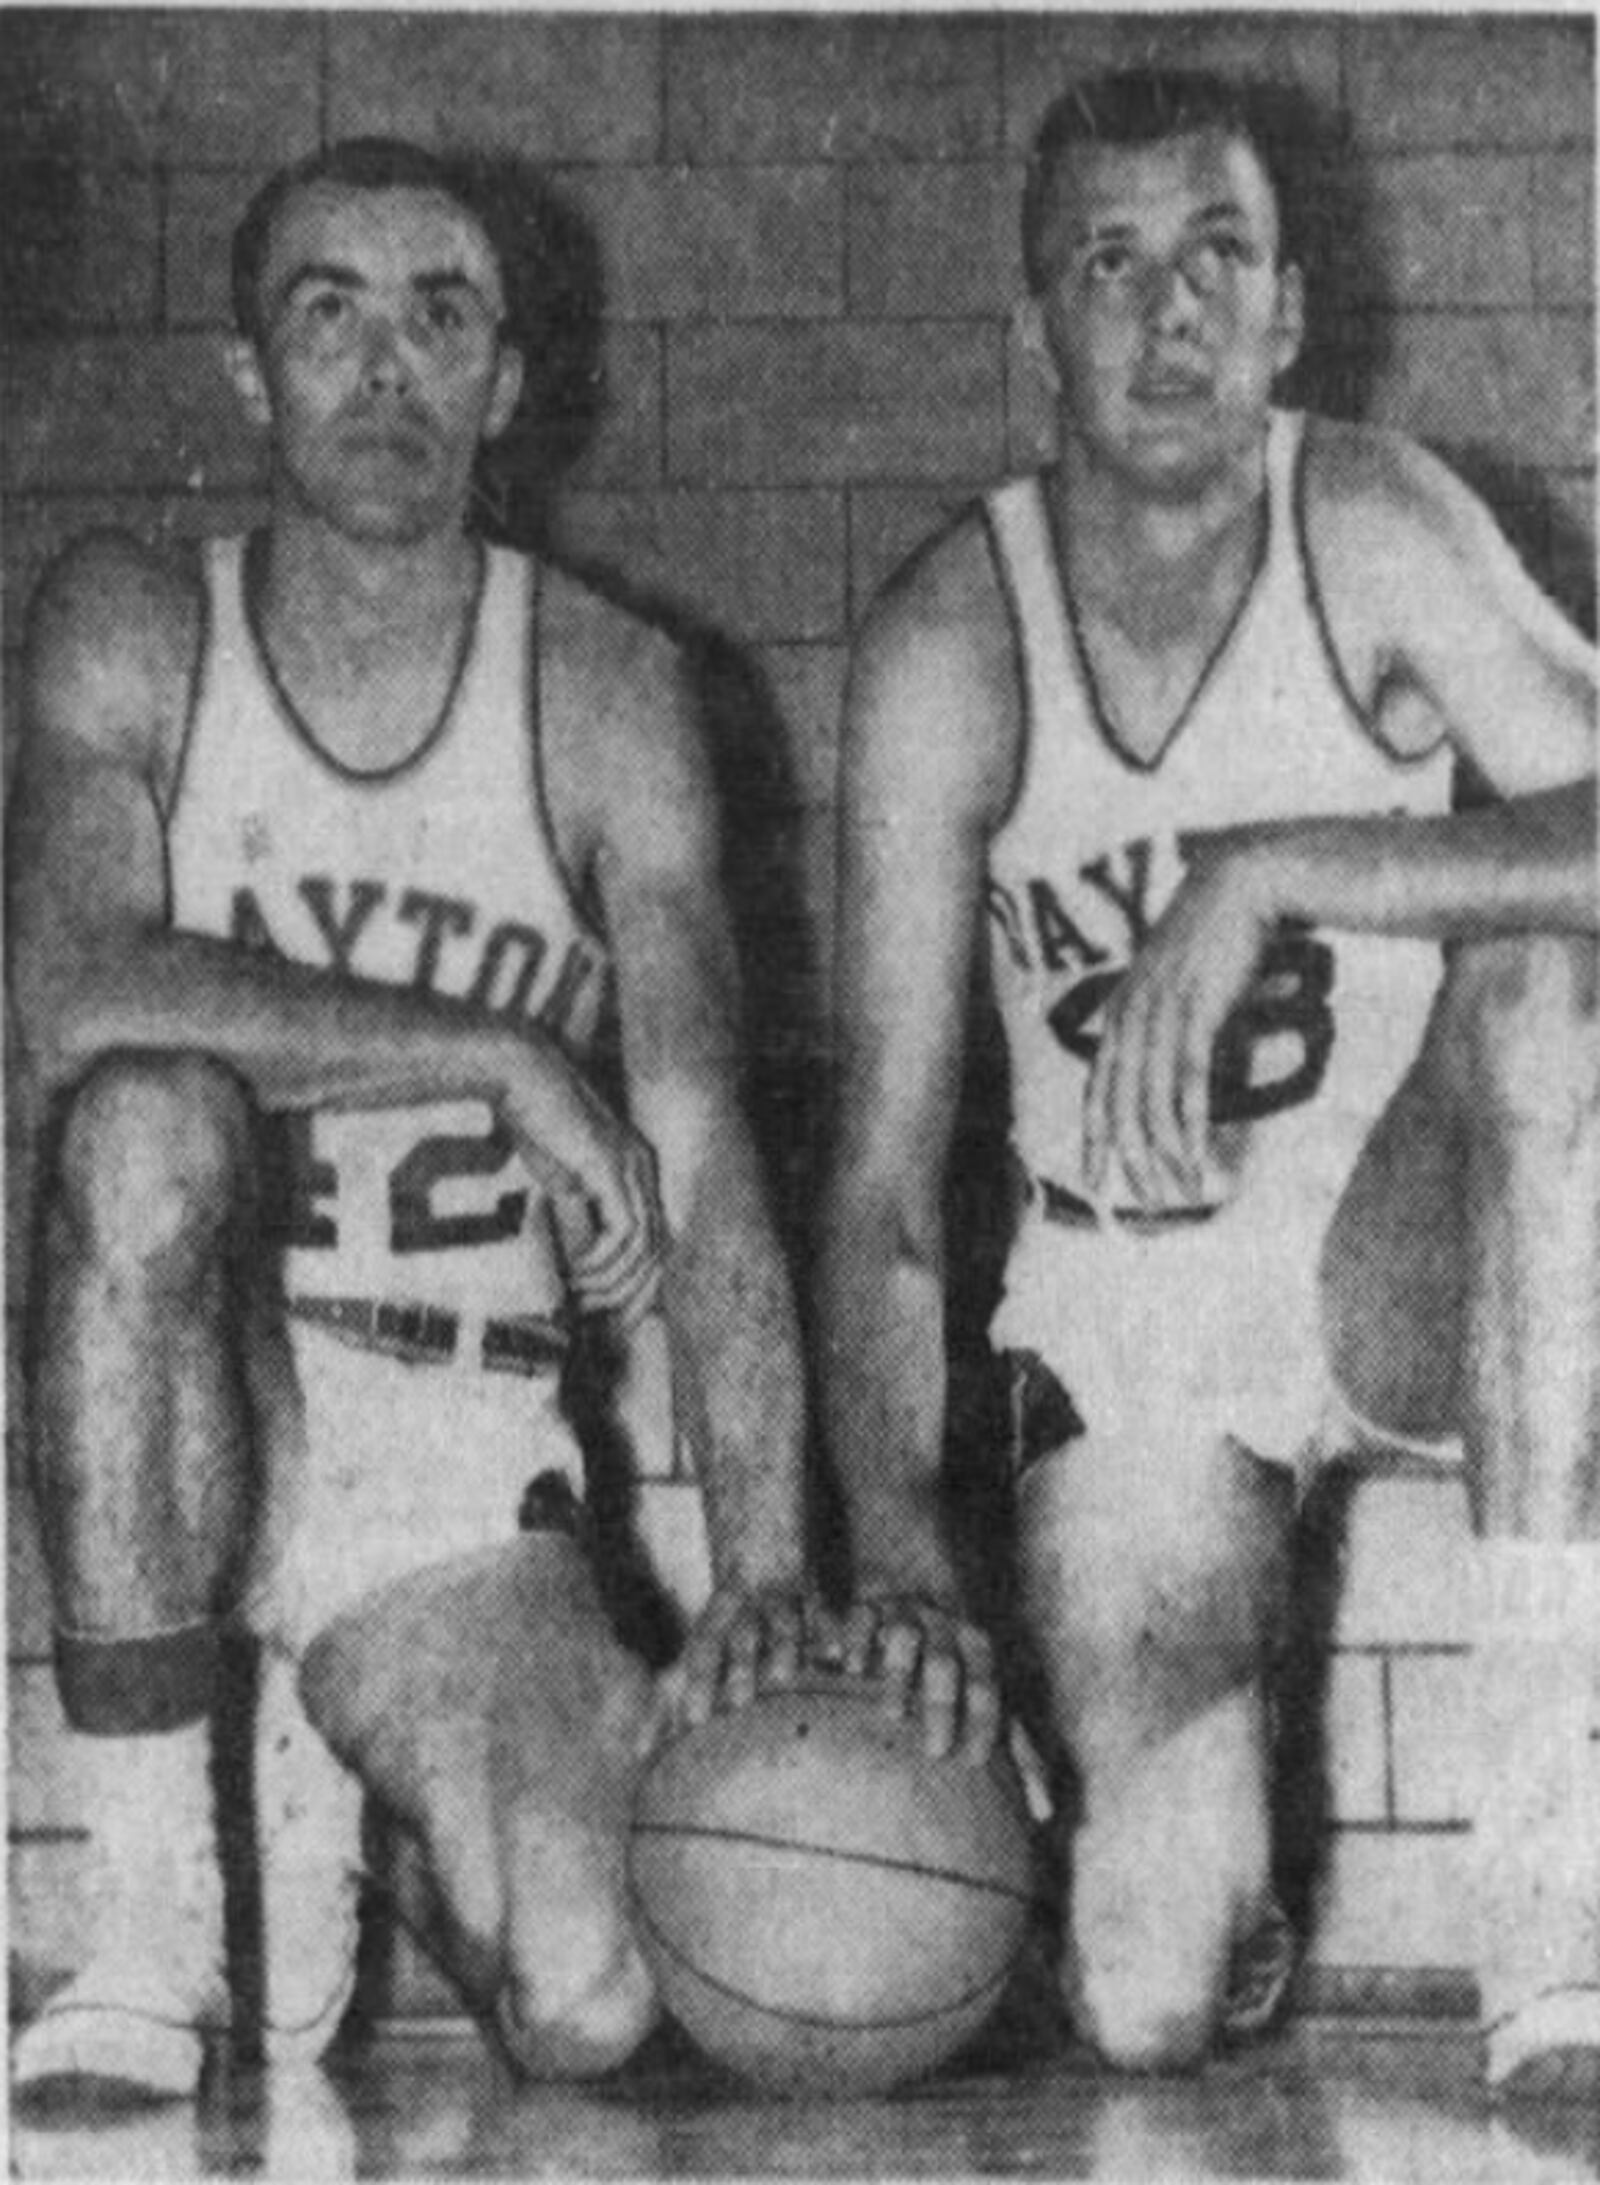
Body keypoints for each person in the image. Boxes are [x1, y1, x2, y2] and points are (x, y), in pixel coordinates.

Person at [818, 69, 1597, 2100]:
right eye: (1108, 262)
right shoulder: (948, 637)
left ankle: (1545, 1907)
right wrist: (901, 1553)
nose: (1165, 313)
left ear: (1286, 313)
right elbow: (885, 1176)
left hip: (1400, 1226)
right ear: (1031, 333)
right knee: (1145, 1995)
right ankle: (1214, 1865)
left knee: (1539, 983)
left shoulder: (1372, 519)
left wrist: (1275, 866)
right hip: (1130, 1308)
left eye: (1213, 258)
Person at [8, 136, 808, 2100]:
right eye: (328, 313)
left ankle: (339, 1767)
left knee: (610, 1997)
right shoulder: (135, 619)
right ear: (247, 377)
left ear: (507, 381)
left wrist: (777, 1571)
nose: (385, 367)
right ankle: (147, 1924)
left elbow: (699, 1149)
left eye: (439, 317)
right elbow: (67, 989)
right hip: (202, 1381)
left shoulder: (613, 689)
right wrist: (497, 1048)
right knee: (144, 1117)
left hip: (453, 1457)